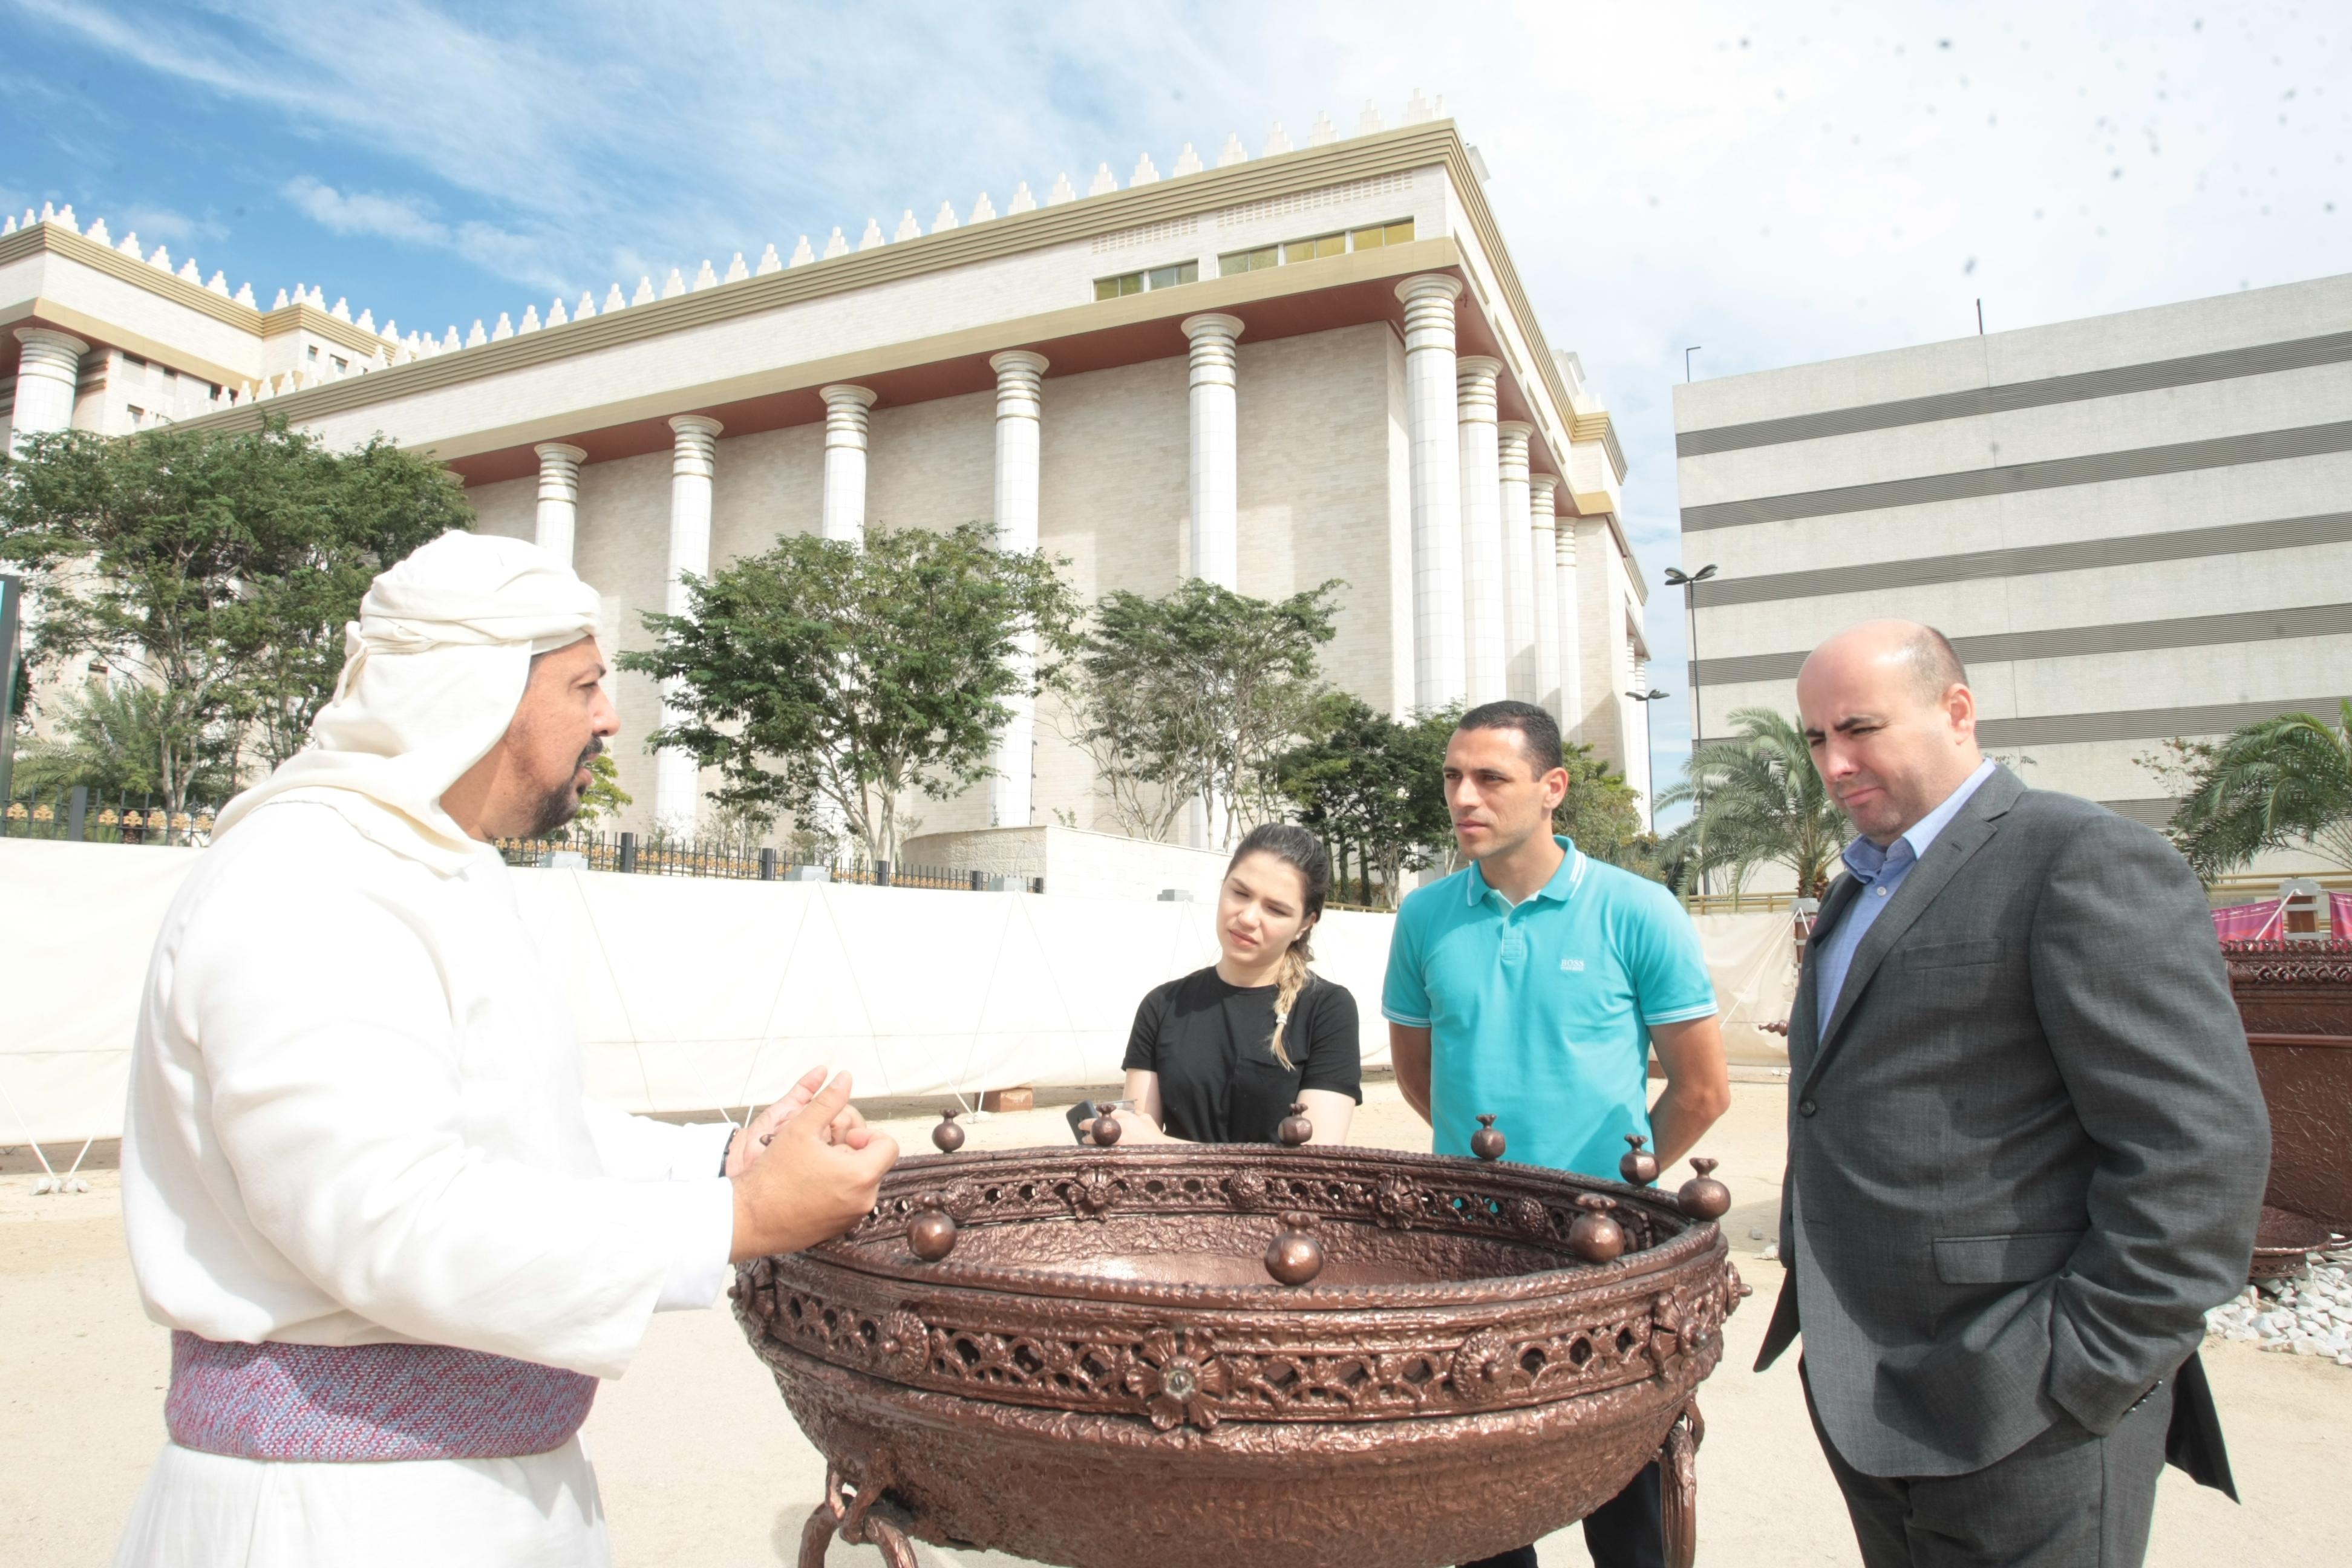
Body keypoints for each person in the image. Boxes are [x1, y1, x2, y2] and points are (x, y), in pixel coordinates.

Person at [114, 532, 899, 1568]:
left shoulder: (426, 868)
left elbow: (517, 1129)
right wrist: (734, 1219)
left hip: (471, 1495)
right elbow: (387, 1214)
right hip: (340, 1517)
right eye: (583, 685)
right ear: (472, 691)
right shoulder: (308, 883)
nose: (610, 717)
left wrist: (722, 1162)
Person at [1755, 619, 2267, 1568]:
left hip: (2024, 1405)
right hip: (1869, 1391)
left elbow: (2199, 1150)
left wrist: (2085, 1370)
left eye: (1859, 728)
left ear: (1957, 711)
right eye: (1817, 737)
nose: (1834, 762)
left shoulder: (2078, 858)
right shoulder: (1856, 889)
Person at [1384, 700, 1730, 1568]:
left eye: (1490, 778)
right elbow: (1423, 1079)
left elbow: (1703, 1090)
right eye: (1453, 777)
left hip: (1605, 1255)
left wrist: (1613, 1180)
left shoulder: (1638, 911)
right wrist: (1496, 1185)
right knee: (1482, 1509)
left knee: (1628, 1510)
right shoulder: (1424, 919)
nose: (1465, 797)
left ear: (1552, 789)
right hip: (1465, 1255)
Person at [1111, 823, 1362, 1146]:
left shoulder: (1327, 1010)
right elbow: (1136, 1138)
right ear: (1223, 885)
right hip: (1172, 1197)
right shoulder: (1163, 1006)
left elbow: (1314, 1165)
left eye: (1276, 909)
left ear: (1305, 923)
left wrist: (1160, 1148)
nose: (1247, 917)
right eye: (1240, 893)